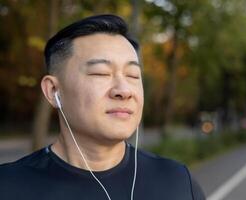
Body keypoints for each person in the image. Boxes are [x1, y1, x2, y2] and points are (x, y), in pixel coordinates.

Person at [0, 14, 205, 200]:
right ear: (53, 90)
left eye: (133, 75)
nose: (124, 90)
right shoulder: (8, 187)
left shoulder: (178, 181)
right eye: (100, 73)